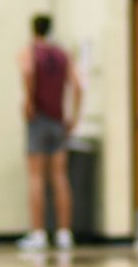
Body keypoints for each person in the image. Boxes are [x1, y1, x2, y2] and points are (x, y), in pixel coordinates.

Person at [16, 14, 82, 251]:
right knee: (60, 177)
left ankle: (38, 234)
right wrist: (74, 115)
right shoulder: (63, 54)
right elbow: (78, 85)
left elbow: (27, 71)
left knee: (36, 177)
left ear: (33, 29)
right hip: (58, 120)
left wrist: (29, 100)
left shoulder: (30, 51)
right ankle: (64, 233)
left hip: (38, 118)